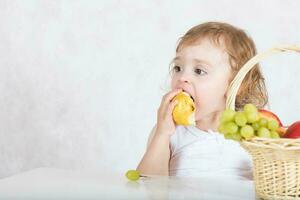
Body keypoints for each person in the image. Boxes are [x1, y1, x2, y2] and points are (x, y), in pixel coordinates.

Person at [137, 21, 268, 179]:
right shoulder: (171, 133)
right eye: (178, 68)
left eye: (199, 71)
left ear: (236, 84)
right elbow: (147, 185)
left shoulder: (251, 134)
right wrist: (162, 134)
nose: (183, 77)